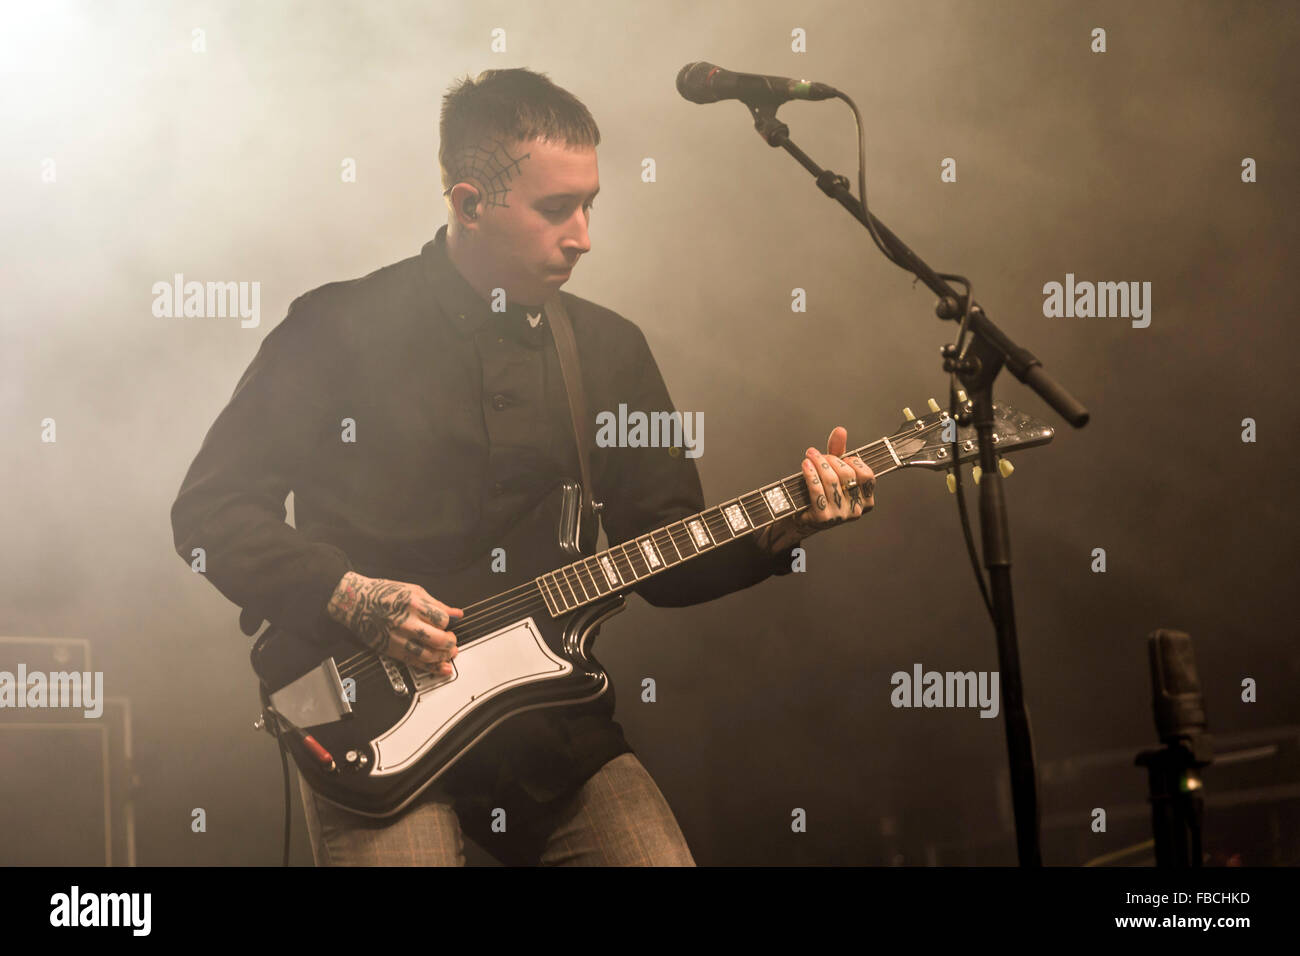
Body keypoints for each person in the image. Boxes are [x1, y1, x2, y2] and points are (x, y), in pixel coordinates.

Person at [170, 67, 876, 866]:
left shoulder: (610, 351)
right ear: (469, 203)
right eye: (556, 209)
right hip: (366, 712)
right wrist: (353, 596)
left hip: (553, 729)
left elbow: (667, 557)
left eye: (590, 205)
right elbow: (211, 513)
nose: (583, 235)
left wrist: (785, 525)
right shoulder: (335, 327)